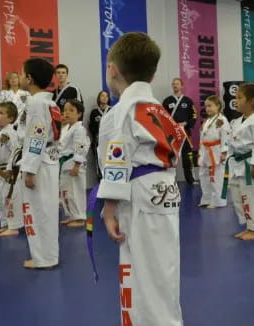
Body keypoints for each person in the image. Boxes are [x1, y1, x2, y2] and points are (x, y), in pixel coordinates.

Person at [98, 32, 185, 325]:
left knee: (140, 271)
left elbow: (116, 156)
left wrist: (109, 206)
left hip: (138, 192)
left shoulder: (121, 111)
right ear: (153, 72)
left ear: (112, 68)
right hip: (165, 188)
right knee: (163, 270)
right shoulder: (158, 108)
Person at [19, 58, 61, 269]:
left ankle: (43, 259)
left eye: (22, 73)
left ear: (29, 78)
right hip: (50, 160)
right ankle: (49, 256)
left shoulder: (36, 103)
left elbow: (37, 137)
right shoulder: (50, 102)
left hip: (40, 163)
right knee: (48, 212)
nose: (19, 77)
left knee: (38, 212)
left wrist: (29, 169)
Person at [223, 83, 254, 241]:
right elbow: (231, 142)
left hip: (250, 164)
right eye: (235, 97)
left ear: (250, 101)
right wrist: (227, 157)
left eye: (239, 97)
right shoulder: (237, 121)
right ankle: (249, 226)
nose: (235, 100)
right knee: (241, 197)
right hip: (237, 165)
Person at [0, 101, 21, 237]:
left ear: (11, 118)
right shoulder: (0, 132)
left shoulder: (11, 133)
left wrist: (10, 169)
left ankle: (14, 226)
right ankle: (5, 223)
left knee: (9, 198)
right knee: (0, 199)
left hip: (8, 171)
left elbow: (16, 152)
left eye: (1, 113)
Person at [59, 99, 90, 228]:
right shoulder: (66, 128)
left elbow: (80, 147)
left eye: (71, 110)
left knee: (76, 191)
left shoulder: (79, 129)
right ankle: (71, 215)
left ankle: (80, 217)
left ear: (79, 114)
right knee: (66, 192)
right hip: (65, 163)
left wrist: (77, 165)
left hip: (74, 163)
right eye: (65, 110)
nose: (67, 113)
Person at [162, 77, 197, 184]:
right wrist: (171, 126)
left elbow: (194, 115)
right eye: (173, 84)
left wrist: (186, 123)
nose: (175, 85)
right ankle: (170, 180)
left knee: (187, 156)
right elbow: (163, 116)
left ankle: (190, 180)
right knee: (171, 156)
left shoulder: (188, 101)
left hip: (185, 132)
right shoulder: (167, 101)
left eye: (177, 84)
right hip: (172, 133)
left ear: (182, 86)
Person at [198, 95, 230, 209]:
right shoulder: (207, 121)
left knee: (217, 176)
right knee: (204, 175)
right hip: (206, 150)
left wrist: (224, 152)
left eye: (210, 106)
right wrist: (200, 153)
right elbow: (202, 138)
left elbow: (226, 137)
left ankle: (219, 201)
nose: (207, 108)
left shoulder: (222, 120)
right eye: (206, 106)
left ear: (218, 106)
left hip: (216, 151)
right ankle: (206, 199)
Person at [88, 90, 111, 181]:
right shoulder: (94, 112)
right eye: (102, 96)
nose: (104, 98)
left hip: (110, 142)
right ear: (99, 98)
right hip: (98, 142)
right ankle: (100, 182)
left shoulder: (112, 110)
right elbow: (91, 128)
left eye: (106, 96)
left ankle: (110, 182)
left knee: (110, 162)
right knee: (99, 163)